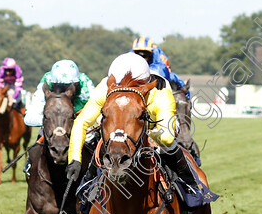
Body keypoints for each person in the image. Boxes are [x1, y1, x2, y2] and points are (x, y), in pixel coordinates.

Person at [65, 52, 204, 200]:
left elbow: (168, 137)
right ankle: (88, 182)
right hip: (121, 133)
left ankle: (191, 186)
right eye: (119, 87)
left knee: (167, 147)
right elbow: (81, 122)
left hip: (157, 129)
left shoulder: (160, 91)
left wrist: (146, 137)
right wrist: (74, 159)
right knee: (102, 145)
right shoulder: (103, 88)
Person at [24, 59, 95, 128]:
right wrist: (53, 120)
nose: (66, 91)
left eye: (69, 86)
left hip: (80, 124)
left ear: (77, 83)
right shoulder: (47, 81)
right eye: (60, 86)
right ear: (53, 83)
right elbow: (29, 118)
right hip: (52, 125)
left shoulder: (86, 84)